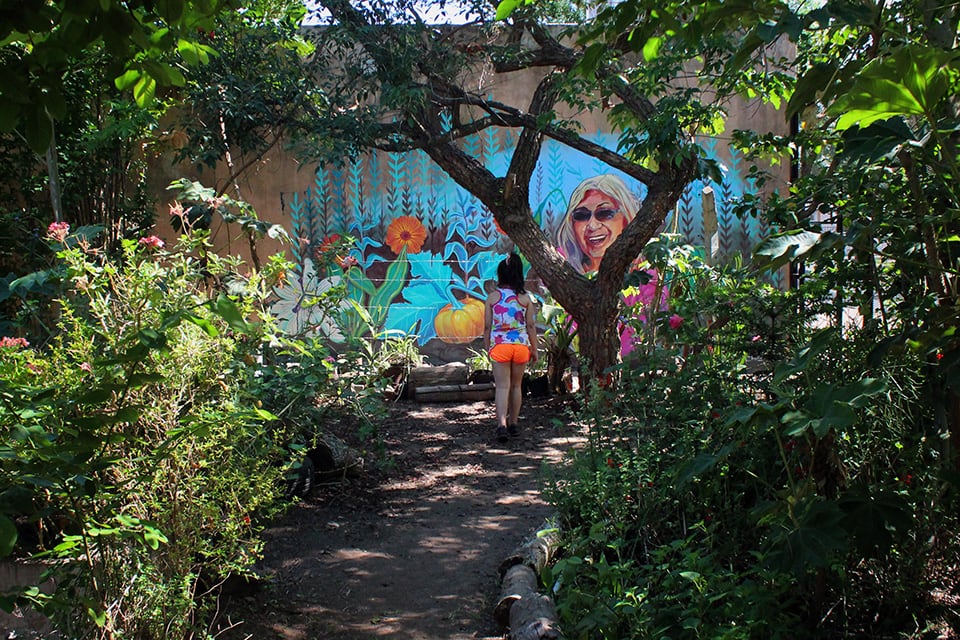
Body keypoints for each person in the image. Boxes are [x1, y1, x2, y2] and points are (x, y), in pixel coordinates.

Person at [483, 253, 538, 443]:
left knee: (502, 387)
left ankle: (501, 425)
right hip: (521, 346)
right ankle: (514, 423)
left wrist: (487, 347)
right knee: (516, 386)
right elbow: (531, 326)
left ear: (500, 275)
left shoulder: (492, 298)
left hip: (500, 346)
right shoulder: (526, 298)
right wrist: (535, 349)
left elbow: (487, 327)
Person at [555, 174, 640, 274]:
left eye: (604, 213)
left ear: (627, 217)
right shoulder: (560, 266)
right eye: (581, 215)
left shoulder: (651, 273)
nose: (592, 225)